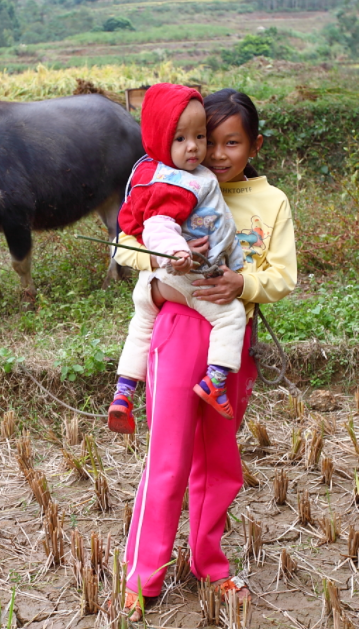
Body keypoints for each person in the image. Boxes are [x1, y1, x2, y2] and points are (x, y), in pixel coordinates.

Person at [113, 88, 298, 620]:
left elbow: (282, 276)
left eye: (229, 142)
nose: (214, 153)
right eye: (204, 140)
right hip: (176, 327)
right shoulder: (172, 182)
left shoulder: (271, 202)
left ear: (253, 145)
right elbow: (125, 245)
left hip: (229, 339)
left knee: (219, 457)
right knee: (167, 455)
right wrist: (163, 262)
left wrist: (243, 280)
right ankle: (143, 573)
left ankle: (209, 563)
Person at [107, 84, 247, 435]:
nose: (195, 148)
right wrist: (177, 254)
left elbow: (136, 224)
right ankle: (215, 380)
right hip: (181, 274)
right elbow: (157, 224)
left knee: (140, 328)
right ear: (158, 137)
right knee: (231, 316)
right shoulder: (178, 183)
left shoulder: (148, 172)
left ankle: (124, 392)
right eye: (180, 138)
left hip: (150, 283)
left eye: (200, 136)